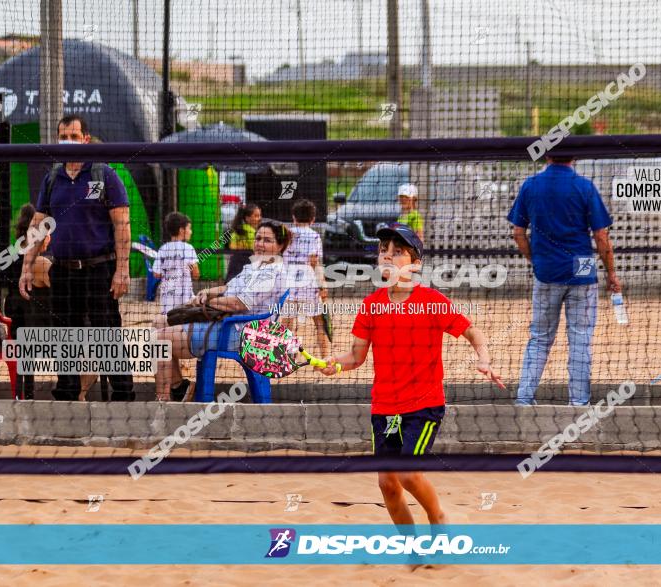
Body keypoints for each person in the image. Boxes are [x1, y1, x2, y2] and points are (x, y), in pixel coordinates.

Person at [316, 223, 503, 529]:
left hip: (424, 405)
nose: (387, 257)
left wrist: (483, 359)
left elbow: (473, 332)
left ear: (415, 264)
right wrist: (334, 364)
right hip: (385, 407)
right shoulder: (370, 306)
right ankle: (412, 547)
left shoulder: (431, 300)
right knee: (387, 484)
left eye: (397, 252)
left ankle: (437, 517)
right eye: (383, 251)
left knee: (406, 473)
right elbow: (355, 357)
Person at [19, 114, 133, 402]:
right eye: (63, 136)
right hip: (64, 270)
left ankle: (123, 397)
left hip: (100, 269)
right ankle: (67, 397)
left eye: (73, 136)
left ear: (85, 139)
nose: (67, 141)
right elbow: (38, 225)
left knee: (107, 335)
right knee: (64, 336)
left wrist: (122, 269)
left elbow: (122, 224)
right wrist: (26, 267)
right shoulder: (52, 178)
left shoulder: (104, 174)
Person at [508, 155, 620, 406]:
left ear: (547, 154)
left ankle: (524, 399)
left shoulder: (531, 185)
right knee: (580, 339)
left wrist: (535, 260)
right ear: (575, 156)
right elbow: (601, 237)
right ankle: (579, 404)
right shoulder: (584, 186)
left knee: (539, 337)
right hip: (582, 269)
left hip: (547, 270)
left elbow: (518, 233)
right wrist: (611, 273)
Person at [153, 220, 291, 401]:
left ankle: (162, 402)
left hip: (242, 333)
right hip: (226, 323)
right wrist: (207, 292)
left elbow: (239, 304)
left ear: (280, 246)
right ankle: (180, 388)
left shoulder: (272, 273)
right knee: (158, 323)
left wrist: (206, 305)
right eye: (258, 238)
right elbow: (228, 288)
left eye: (267, 240)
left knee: (157, 339)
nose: (260, 244)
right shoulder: (255, 267)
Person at [3, 204, 53, 400]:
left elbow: (4, 279)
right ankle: (29, 394)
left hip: (14, 312)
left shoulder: (11, 251)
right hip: (35, 314)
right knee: (28, 353)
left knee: (21, 354)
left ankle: (19, 394)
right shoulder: (38, 254)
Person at [283, 199, 329, 357]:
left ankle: (289, 357)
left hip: (288, 285)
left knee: (288, 323)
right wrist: (323, 286)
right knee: (319, 323)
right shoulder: (314, 236)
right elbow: (314, 262)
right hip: (308, 286)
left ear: (293, 217)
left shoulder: (286, 234)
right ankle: (324, 357)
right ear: (313, 219)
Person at [152, 212, 200, 316]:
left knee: (168, 323)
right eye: (189, 228)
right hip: (185, 297)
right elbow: (196, 274)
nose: (191, 232)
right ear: (181, 230)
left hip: (167, 298)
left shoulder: (163, 249)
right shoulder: (189, 248)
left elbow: (156, 274)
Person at [227, 204, 262, 281]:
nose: (259, 218)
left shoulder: (238, 229)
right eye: (256, 216)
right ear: (247, 218)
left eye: (259, 215)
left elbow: (232, 246)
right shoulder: (250, 232)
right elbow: (232, 246)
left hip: (237, 264)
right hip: (243, 264)